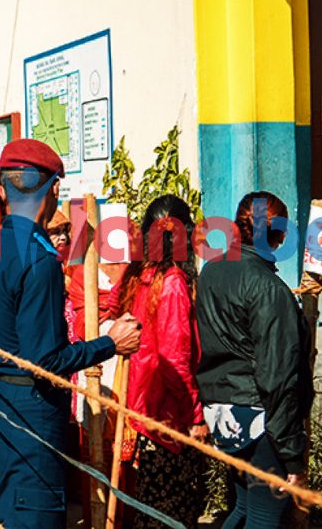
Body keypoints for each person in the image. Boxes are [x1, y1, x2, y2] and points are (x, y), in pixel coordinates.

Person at [0, 139, 142, 528]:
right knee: (35, 513)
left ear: (3, 189)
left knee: (7, 513)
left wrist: (1, 374)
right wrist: (110, 344)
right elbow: (44, 361)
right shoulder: (40, 260)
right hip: (33, 411)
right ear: (54, 189)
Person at [196, 191, 313, 528]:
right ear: (280, 235)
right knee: (264, 516)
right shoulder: (268, 288)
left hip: (222, 411)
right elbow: (277, 377)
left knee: (244, 507)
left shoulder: (212, 271)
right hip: (259, 420)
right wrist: (291, 455)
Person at [112, 195, 207, 528]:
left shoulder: (142, 275)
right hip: (168, 418)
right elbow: (175, 361)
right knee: (172, 513)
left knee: (151, 509)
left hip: (143, 410)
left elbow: (112, 307)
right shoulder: (173, 283)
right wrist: (195, 417)